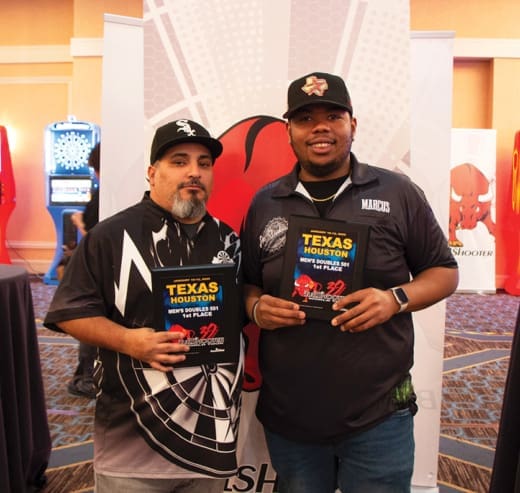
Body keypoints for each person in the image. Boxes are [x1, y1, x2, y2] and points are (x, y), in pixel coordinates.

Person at [241, 72, 459, 493]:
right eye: (305, 118)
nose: (320, 128)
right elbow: (247, 283)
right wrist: (256, 308)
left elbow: (444, 271)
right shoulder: (266, 202)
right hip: (291, 414)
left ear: (352, 125)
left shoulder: (397, 192)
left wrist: (394, 299)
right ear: (289, 131)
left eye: (333, 116)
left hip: (380, 415)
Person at [44, 119, 243, 493]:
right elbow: (70, 312)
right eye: (179, 161)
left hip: (211, 444)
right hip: (131, 443)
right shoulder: (110, 235)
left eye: (203, 163)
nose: (194, 172)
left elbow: (239, 309)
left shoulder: (228, 239)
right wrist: (129, 341)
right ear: (153, 173)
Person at [66, 142, 100, 399]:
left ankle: (87, 378)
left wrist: (78, 221)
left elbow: (92, 235)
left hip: (94, 270)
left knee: (91, 321)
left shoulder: (99, 197)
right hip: (99, 269)